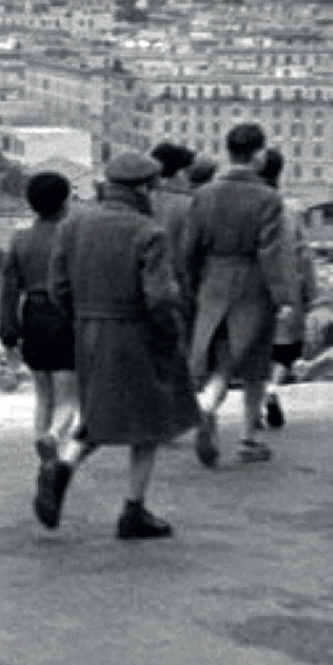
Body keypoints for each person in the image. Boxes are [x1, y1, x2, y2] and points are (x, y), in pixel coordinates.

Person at [45, 152, 198, 539]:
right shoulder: (148, 232)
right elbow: (159, 297)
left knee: (99, 413)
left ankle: (62, 466)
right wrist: (172, 333)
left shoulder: (74, 224)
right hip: (136, 334)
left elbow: (57, 287)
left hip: (89, 332)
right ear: (145, 187)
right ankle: (134, 509)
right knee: (148, 423)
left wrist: (82, 319)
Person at [182, 122, 288, 467]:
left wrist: (194, 284)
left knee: (221, 357)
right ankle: (247, 438)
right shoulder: (268, 198)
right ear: (258, 155)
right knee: (254, 364)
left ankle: (207, 405)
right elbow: (272, 252)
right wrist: (283, 296)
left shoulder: (204, 195)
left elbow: (189, 248)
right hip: (252, 283)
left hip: (213, 280)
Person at [0, 171, 79, 474]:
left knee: (43, 395)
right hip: (64, 319)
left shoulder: (20, 240)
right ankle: (54, 437)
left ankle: (45, 460)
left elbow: (8, 290)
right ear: (64, 201)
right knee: (68, 399)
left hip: (33, 316)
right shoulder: (72, 238)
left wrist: (8, 333)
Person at [258, 147, 317, 429]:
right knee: (283, 350)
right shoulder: (289, 211)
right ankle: (272, 389)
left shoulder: (246, 207)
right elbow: (304, 255)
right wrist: (310, 292)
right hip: (286, 290)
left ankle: (255, 400)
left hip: (251, 289)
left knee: (254, 347)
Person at [149, 142, 196, 306]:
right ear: (181, 172)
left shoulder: (144, 199)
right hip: (176, 286)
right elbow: (188, 250)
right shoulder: (189, 204)